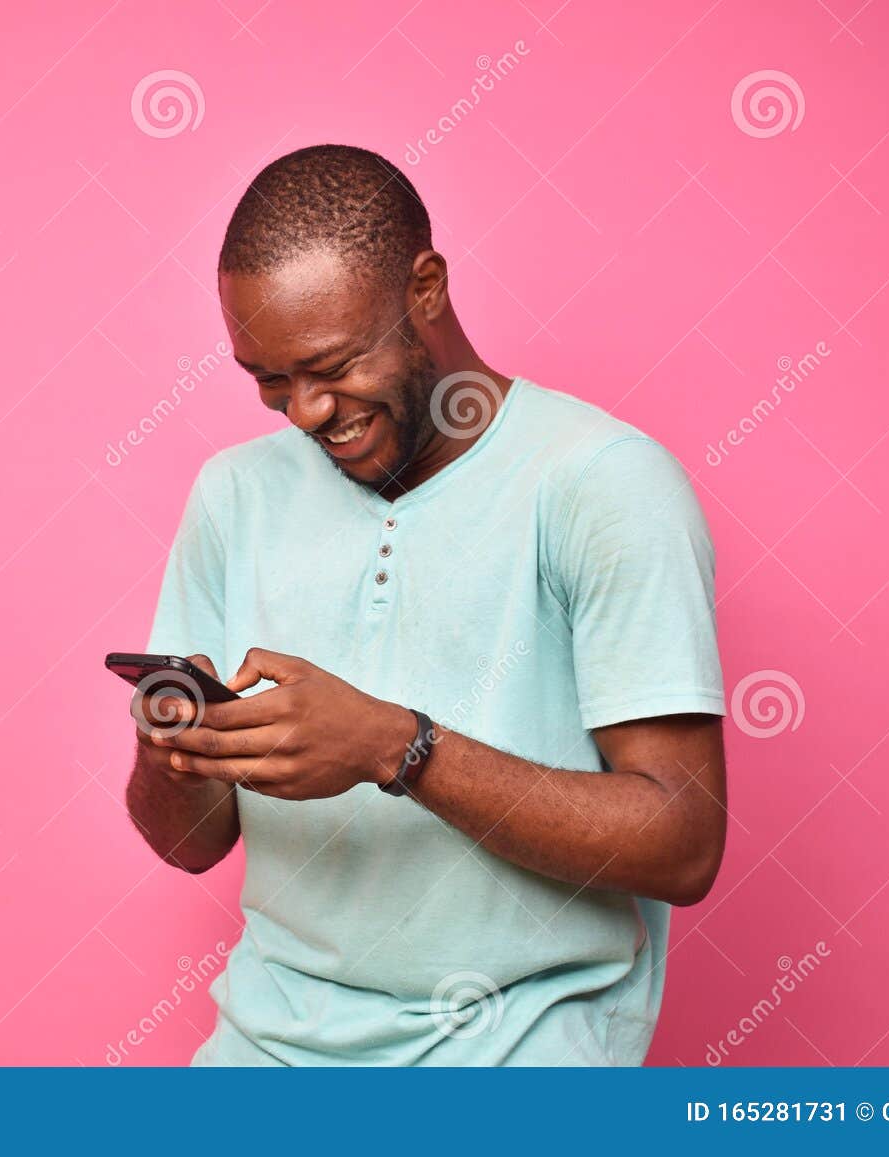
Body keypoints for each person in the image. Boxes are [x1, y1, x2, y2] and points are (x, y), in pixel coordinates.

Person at [125, 143, 727, 1065]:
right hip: (264, 1047)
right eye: (270, 381)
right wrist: (176, 755)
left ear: (427, 287)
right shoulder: (232, 494)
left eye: (331, 365)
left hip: (518, 1047)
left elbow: (684, 843)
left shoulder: (603, 484)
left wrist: (391, 746)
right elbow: (193, 847)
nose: (306, 413)